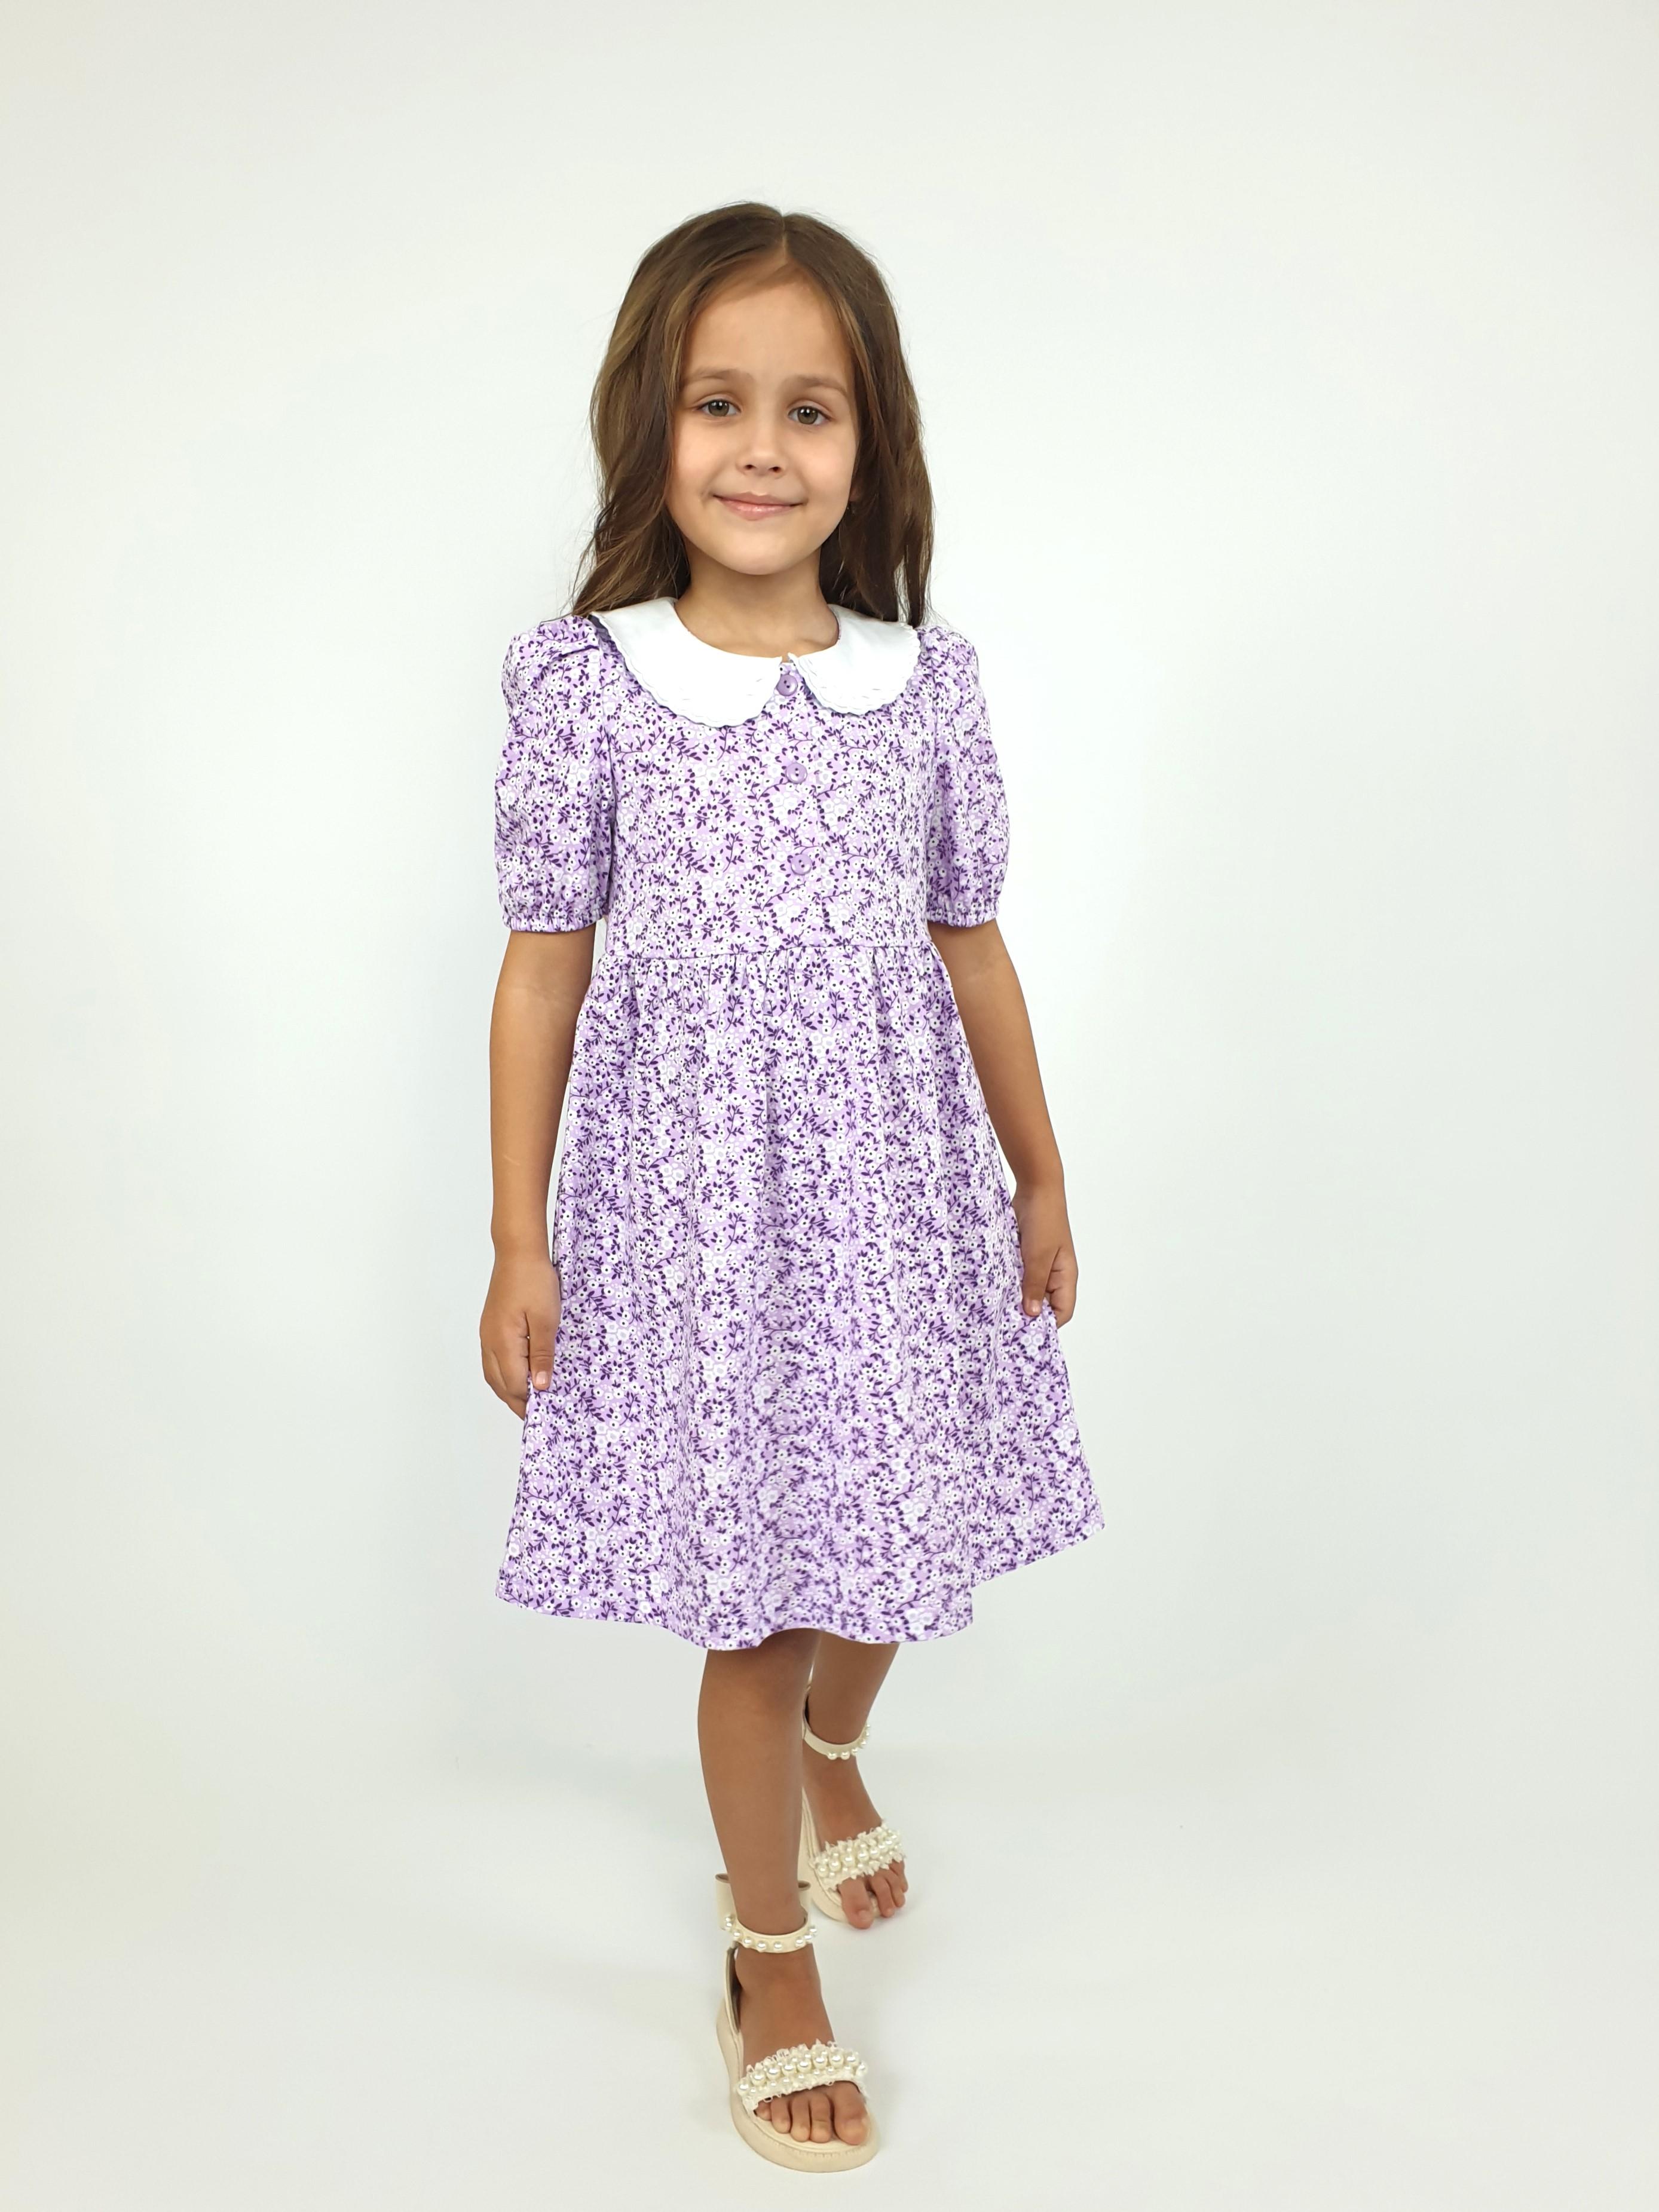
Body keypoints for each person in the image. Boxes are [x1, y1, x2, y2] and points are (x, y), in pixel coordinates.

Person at [479, 201, 1103, 2172]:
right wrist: (518, 1237)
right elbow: (544, 970)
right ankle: (771, 1959)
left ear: (868, 440)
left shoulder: (927, 686)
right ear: (649, 428)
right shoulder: (589, 683)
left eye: (809, 409)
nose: (763, 448)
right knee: (753, 1604)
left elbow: (970, 944)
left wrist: (1039, 1172)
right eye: (717, 403)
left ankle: (839, 1749)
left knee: (894, 1540)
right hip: (695, 1234)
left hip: (895, 1215)